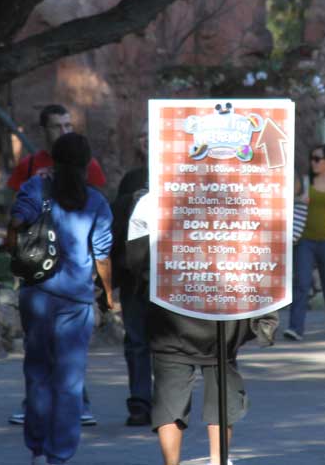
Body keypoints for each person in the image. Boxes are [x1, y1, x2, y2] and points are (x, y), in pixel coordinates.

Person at [125, 189, 276, 465]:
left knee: (170, 395)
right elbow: (260, 252)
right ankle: (219, 460)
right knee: (222, 389)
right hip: (223, 312)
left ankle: (171, 463)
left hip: (170, 313)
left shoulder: (150, 202)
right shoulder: (238, 198)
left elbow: (136, 260)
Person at [8, 133, 114, 465]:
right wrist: (108, 296)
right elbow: (102, 257)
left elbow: (15, 221)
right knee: (69, 381)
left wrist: (18, 249)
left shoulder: (37, 188)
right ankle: (59, 455)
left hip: (36, 294)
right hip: (75, 301)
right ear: (87, 165)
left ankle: (37, 449)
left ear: (52, 159)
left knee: (37, 371)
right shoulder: (96, 202)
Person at [110, 121, 152, 426]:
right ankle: (139, 401)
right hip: (134, 275)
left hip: (170, 274)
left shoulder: (183, 178)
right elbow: (116, 225)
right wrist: (134, 199)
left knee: (168, 341)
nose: (148, 141)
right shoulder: (131, 178)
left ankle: (168, 400)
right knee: (136, 340)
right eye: (144, 136)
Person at [284, 144, 325, 341]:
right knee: (301, 284)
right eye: (312, 158)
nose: (313, 162)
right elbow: (288, 200)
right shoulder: (305, 182)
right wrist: (298, 198)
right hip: (305, 240)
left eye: (317, 159)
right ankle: (295, 328)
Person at [7, 104, 107, 191]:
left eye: (67, 126)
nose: (64, 132)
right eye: (56, 127)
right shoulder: (27, 165)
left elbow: (99, 205)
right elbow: (15, 206)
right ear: (43, 130)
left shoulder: (88, 164)